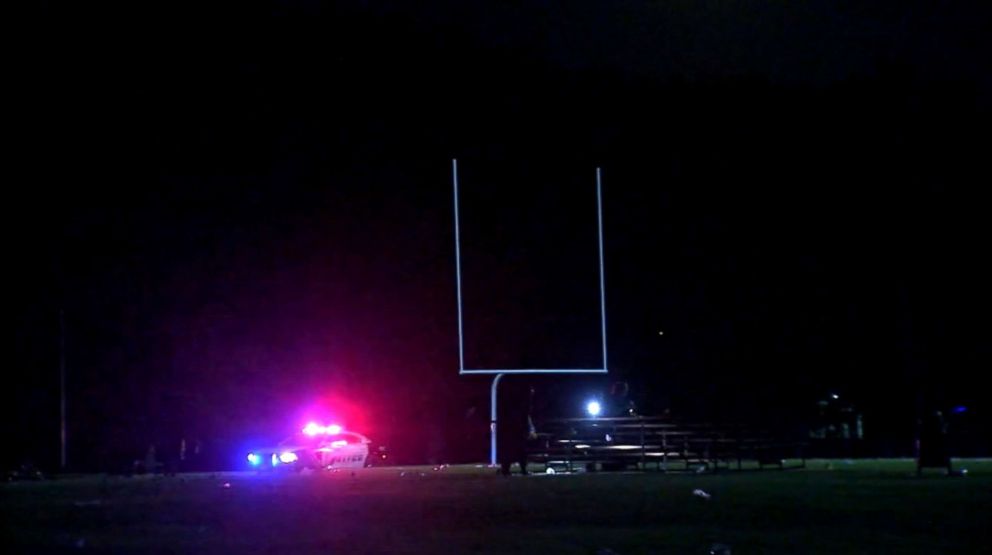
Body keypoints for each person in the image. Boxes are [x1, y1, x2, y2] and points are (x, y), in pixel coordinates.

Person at [497, 378, 534, 476]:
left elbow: (526, 417)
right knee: (513, 449)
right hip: (515, 429)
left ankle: (517, 470)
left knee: (517, 450)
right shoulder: (521, 404)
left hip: (516, 429)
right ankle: (508, 470)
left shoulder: (523, 405)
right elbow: (524, 416)